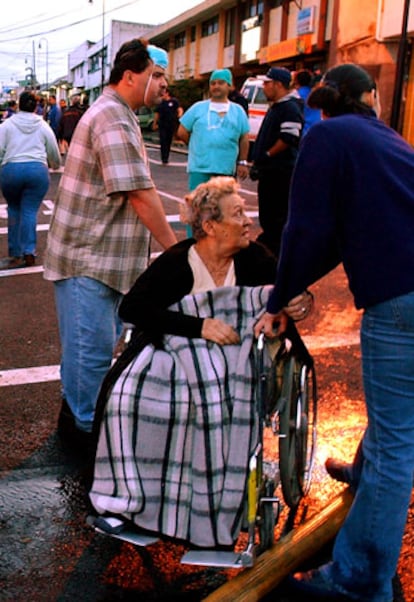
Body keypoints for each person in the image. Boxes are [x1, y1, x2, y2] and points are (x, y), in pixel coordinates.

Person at [254, 63, 414, 602]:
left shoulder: (327, 135)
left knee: (398, 441)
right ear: (369, 97)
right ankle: (363, 470)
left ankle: (358, 583)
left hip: (401, 296)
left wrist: (279, 298)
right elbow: (339, 239)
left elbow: (308, 227)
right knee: (399, 415)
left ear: (326, 102)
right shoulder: (388, 139)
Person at [89, 175, 313, 547]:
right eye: (238, 214)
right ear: (210, 226)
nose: (248, 222)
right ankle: (133, 501)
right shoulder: (179, 261)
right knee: (128, 395)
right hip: (183, 350)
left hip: (239, 355)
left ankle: (206, 504)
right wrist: (199, 326)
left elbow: (292, 292)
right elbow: (133, 307)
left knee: (212, 395)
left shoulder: (255, 258)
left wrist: (298, 302)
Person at [43, 39, 177, 452]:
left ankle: (76, 420)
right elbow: (140, 193)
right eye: (155, 76)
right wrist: (178, 254)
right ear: (131, 75)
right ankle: (84, 434)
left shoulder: (121, 114)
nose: (160, 86)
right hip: (90, 259)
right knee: (92, 356)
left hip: (102, 259)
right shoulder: (113, 119)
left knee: (88, 352)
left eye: (163, 79)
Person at [0, 91, 60, 270]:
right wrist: (55, 164)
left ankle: (15, 252)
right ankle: (29, 251)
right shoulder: (43, 126)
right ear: (36, 106)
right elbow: (54, 152)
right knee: (30, 211)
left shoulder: (7, 125)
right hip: (37, 171)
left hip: (11, 170)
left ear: (18, 105)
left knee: (14, 209)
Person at [250, 67, 303, 258]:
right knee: (269, 217)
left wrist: (267, 155)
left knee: (276, 219)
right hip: (270, 171)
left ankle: (275, 259)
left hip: (280, 173)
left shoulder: (289, 107)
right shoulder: (279, 106)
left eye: (267, 83)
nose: (264, 87)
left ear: (278, 84)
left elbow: (289, 137)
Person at [177, 68, 250, 190]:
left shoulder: (238, 111)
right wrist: (197, 146)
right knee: (199, 205)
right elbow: (182, 131)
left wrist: (242, 162)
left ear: (229, 86)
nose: (216, 86)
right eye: (213, 83)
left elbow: (244, 138)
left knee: (224, 206)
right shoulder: (198, 108)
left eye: (221, 83)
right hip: (200, 169)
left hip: (226, 170)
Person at [153, 89, 181, 164]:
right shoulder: (160, 103)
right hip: (162, 124)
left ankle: (167, 156)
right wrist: (154, 123)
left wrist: (180, 115)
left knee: (168, 141)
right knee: (163, 140)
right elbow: (157, 114)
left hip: (171, 124)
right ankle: (164, 158)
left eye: (164, 93)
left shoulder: (174, 101)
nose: (162, 95)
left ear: (167, 93)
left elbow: (179, 109)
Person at [293, 69, 322, 135]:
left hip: (305, 131)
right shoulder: (314, 93)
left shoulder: (297, 96)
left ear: (297, 82)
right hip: (318, 127)